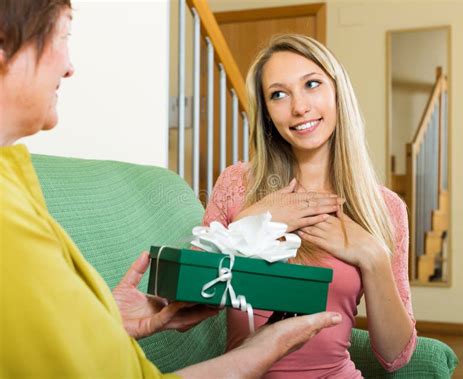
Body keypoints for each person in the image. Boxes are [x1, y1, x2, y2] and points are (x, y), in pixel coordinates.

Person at [0, 3, 342, 378]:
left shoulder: (15, 181)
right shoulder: (8, 216)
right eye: (63, 36)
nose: (69, 66)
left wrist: (109, 320)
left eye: (312, 84)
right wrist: (264, 348)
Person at [202, 34, 417, 378]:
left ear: (337, 92)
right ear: (268, 112)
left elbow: (395, 356)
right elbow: (193, 301)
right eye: (279, 94)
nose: (299, 107)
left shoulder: (386, 208)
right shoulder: (237, 184)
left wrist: (373, 259)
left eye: (312, 84)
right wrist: (250, 224)